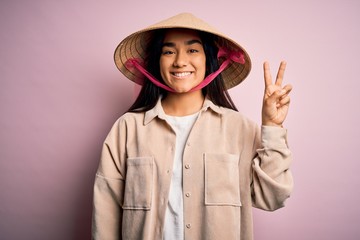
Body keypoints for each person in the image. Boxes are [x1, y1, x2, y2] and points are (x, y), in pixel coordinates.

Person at [92, 12, 293, 240]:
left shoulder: (239, 129)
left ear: (209, 60)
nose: (179, 61)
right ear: (157, 62)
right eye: (168, 51)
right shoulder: (127, 129)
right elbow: (105, 212)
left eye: (192, 50)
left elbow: (272, 197)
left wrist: (273, 127)